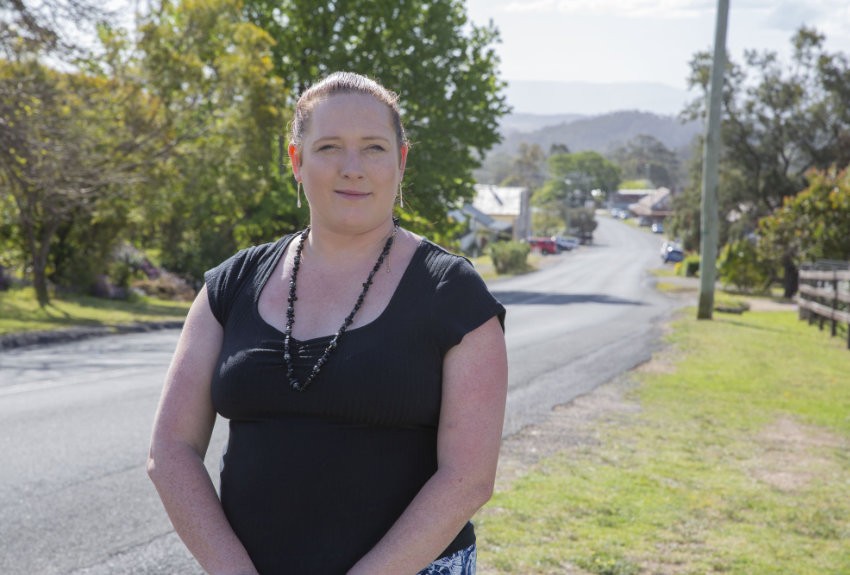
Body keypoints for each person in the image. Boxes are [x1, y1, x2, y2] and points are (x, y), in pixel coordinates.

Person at [147, 71, 508, 575]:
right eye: (330, 147)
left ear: (401, 162)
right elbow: (171, 450)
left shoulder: (454, 294)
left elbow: (468, 479)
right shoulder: (231, 286)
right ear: (296, 161)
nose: (353, 168)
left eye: (375, 148)